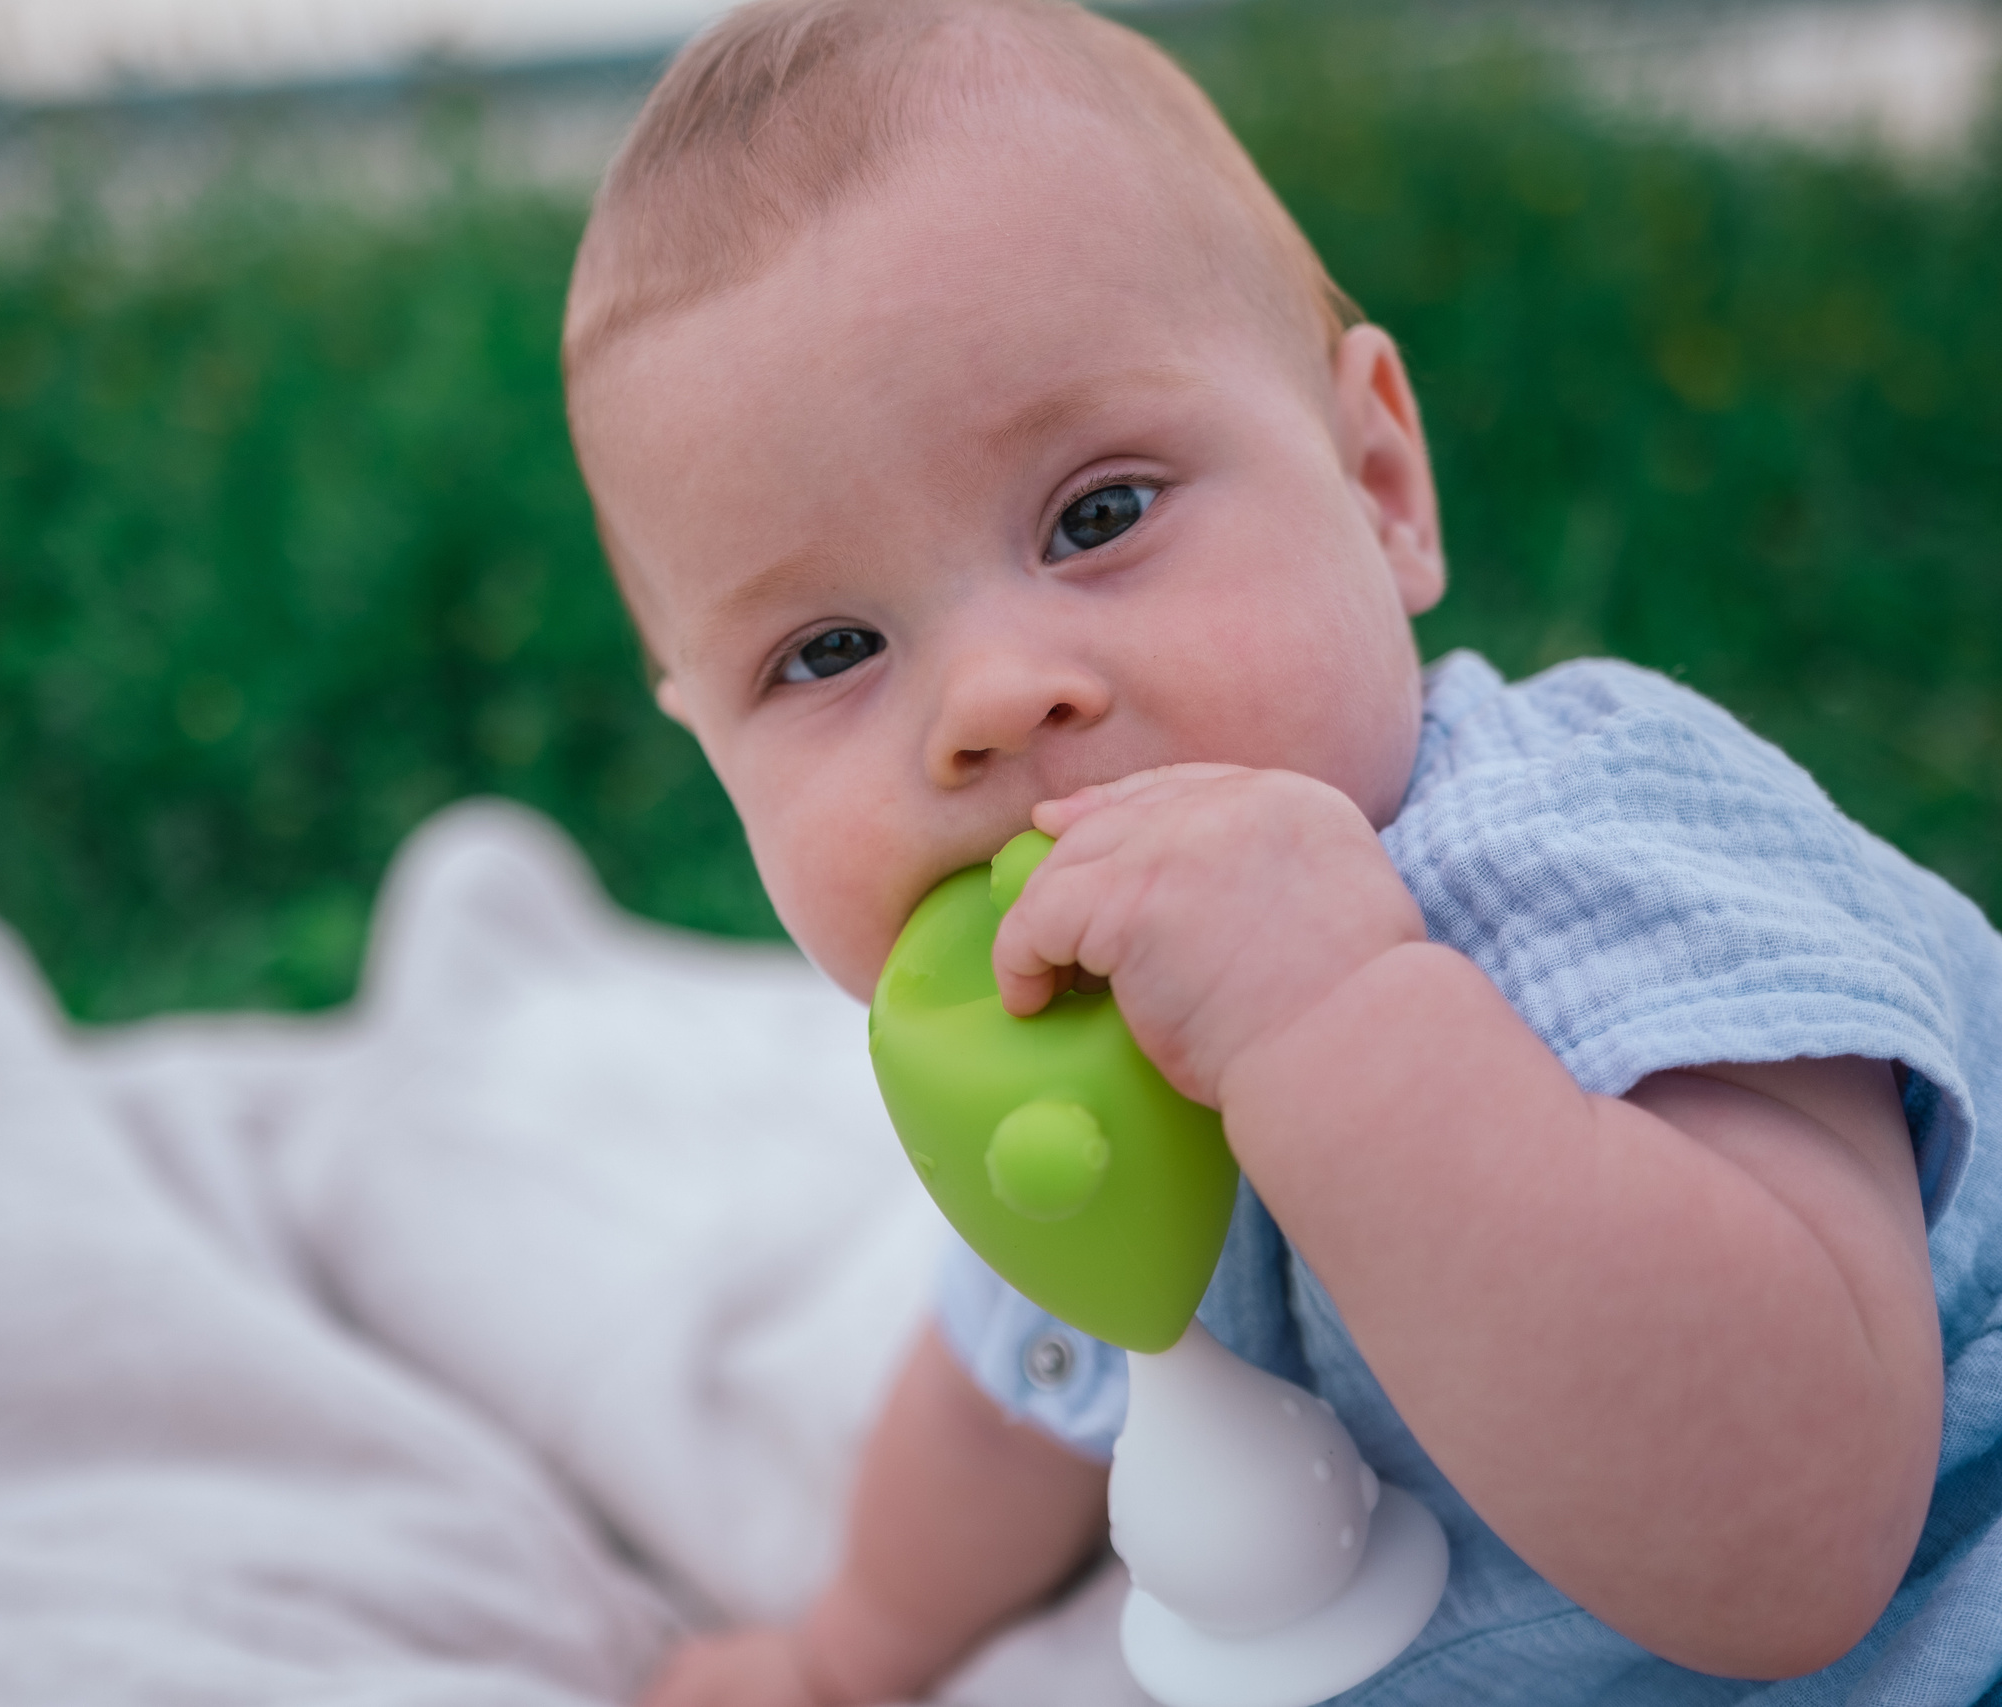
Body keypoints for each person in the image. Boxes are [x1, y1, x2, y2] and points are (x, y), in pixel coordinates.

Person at [557, 2, 2002, 1702]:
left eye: (1097, 517)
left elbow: (1794, 1538)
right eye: (824, 654)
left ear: (1380, 480)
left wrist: (1339, 1018)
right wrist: (841, 1654)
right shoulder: (1073, 1047)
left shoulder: (1588, 846)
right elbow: (1006, 1394)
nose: (991, 702)